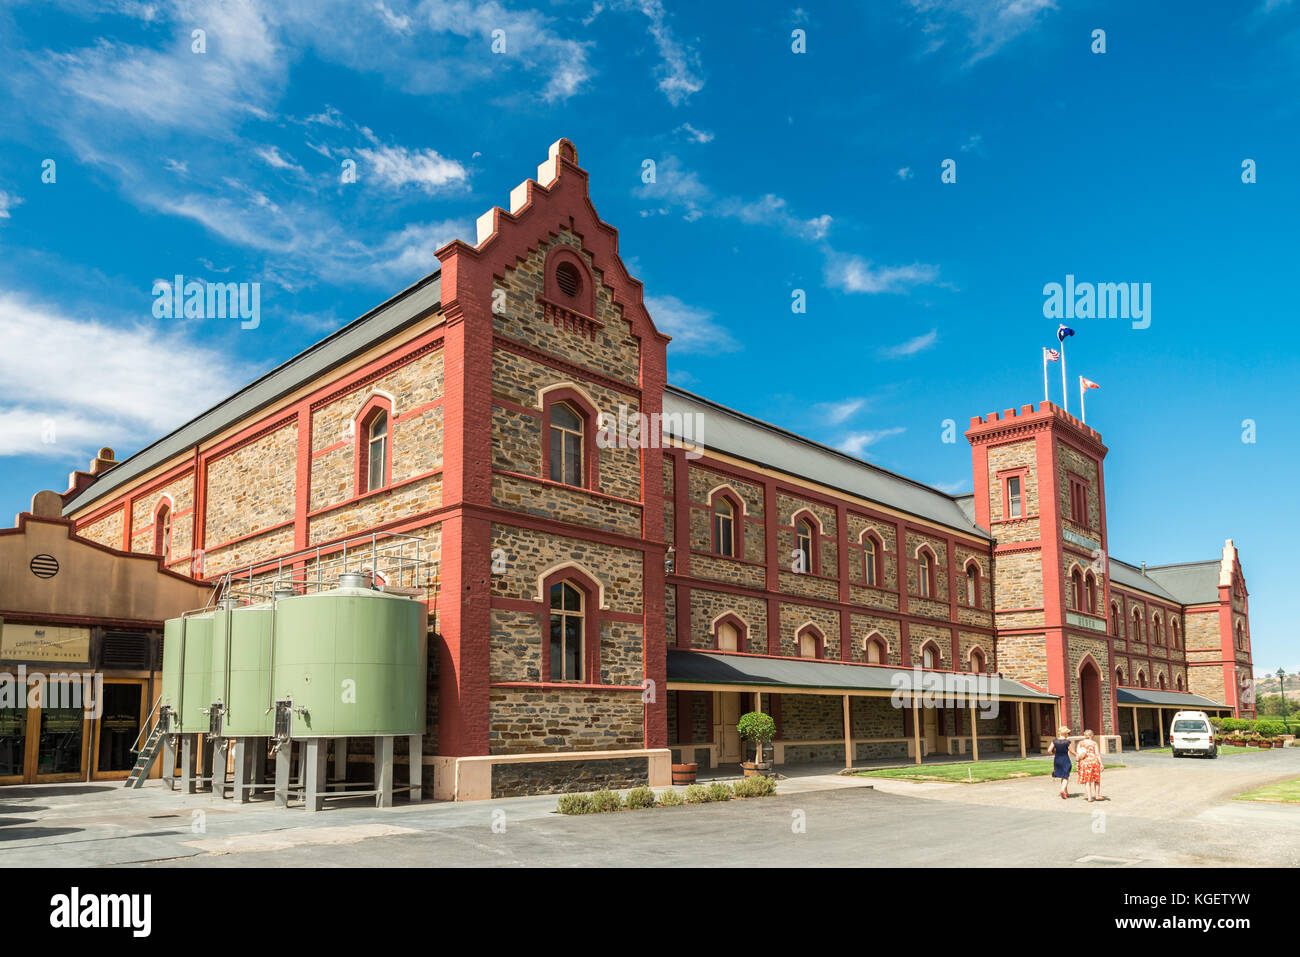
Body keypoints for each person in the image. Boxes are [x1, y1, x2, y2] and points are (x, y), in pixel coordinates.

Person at [1049, 725, 1075, 799]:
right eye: (1067, 733)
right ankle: (1063, 790)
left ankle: (1066, 793)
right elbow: (1072, 751)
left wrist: (1055, 753)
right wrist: (1078, 755)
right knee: (1066, 776)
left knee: (1062, 776)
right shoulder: (1067, 742)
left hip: (1057, 759)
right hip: (1065, 759)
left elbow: (1049, 750)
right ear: (1065, 734)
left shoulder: (1055, 741)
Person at [1076, 729, 1103, 802]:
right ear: (1092, 735)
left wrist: (1077, 763)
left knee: (1087, 780)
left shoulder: (1080, 743)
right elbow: (1097, 754)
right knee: (1096, 780)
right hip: (1094, 761)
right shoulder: (1094, 743)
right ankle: (1097, 795)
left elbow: (1078, 755)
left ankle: (1089, 797)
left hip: (1085, 762)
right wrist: (1101, 764)